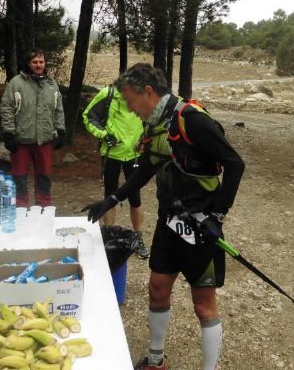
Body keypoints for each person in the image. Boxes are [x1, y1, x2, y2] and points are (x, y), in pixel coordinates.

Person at [82, 63, 245, 370]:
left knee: (203, 305)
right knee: (157, 288)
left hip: (201, 225)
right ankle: (156, 360)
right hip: (169, 222)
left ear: (148, 92)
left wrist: (218, 216)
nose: (130, 110)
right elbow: (147, 166)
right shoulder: (155, 124)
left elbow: (235, 164)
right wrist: (112, 198)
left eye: (131, 101)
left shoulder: (191, 120)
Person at [82, 84, 149, 259]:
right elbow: (88, 117)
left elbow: (149, 120)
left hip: (134, 154)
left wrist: (145, 140)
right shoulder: (108, 94)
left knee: (135, 198)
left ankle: (138, 237)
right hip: (112, 153)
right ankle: (109, 237)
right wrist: (104, 135)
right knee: (110, 195)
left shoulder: (142, 95)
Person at [0, 50, 66, 207]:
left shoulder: (52, 84)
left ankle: (43, 208)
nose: (38, 65)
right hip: (21, 140)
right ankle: (21, 208)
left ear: (45, 64)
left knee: (44, 177)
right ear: (28, 64)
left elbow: (58, 109)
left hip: (44, 140)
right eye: (35, 62)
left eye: (41, 62)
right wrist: (9, 133)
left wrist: (61, 129)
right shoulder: (16, 83)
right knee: (19, 177)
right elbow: (6, 107)